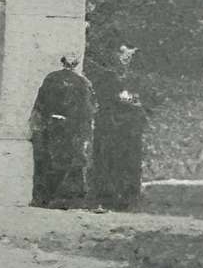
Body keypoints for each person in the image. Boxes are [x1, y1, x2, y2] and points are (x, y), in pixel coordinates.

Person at [29, 53, 96, 207]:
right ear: (76, 64)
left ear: (63, 63)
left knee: (50, 161)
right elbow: (88, 109)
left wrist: (43, 121)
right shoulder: (82, 82)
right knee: (70, 161)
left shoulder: (51, 78)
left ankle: (45, 198)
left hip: (53, 125)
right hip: (71, 128)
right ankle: (66, 199)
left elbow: (40, 103)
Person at [91, 42, 147, 211]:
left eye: (129, 54)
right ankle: (108, 197)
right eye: (122, 53)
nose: (125, 57)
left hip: (129, 126)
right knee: (109, 159)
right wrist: (129, 99)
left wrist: (130, 100)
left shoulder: (136, 78)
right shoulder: (108, 76)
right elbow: (116, 97)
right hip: (110, 124)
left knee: (128, 160)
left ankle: (128, 198)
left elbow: (140, 99)